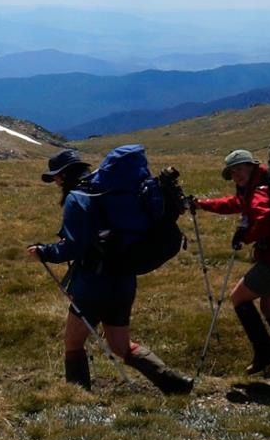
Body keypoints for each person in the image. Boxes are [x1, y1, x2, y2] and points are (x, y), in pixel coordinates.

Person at [26, 148, 192, 394]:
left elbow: (73, 246)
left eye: (56, 177)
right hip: (124, 278)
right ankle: (173, 383)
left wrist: (45, 252)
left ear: (62, 176)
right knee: (120, 345)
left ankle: (77, 398)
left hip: (93, 282)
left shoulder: (78, 197)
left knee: (73, 343)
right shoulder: (112, 191)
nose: (56, 182)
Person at [189, 148, 270, 383]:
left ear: (251, 166)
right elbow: (237, 203)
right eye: (232, 172)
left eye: (240, 169)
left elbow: (263, 218)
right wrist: (204, 204)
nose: (236, 175)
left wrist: (245, 236)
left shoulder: (261, 189)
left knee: (239, 298)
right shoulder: (262, 184)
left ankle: (266, 352)